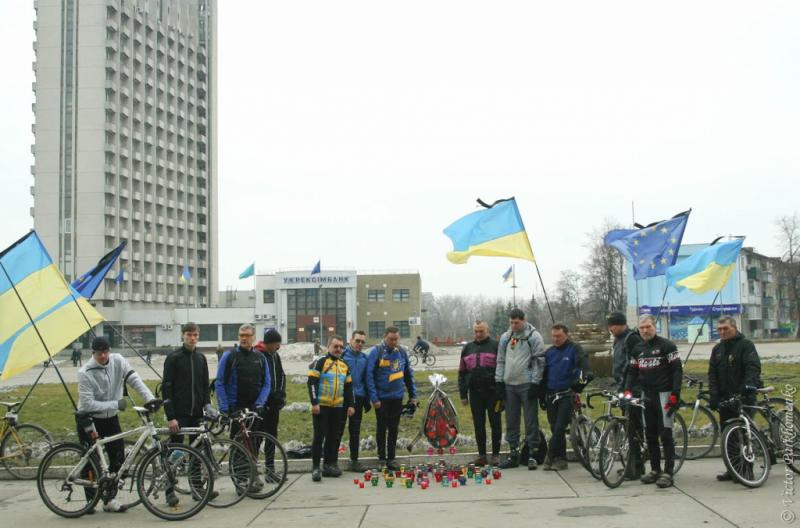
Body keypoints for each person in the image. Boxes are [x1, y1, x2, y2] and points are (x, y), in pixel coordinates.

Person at [77, 336, 155, 513]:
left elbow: (135, 380)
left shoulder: (118, 361)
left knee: (118, 458)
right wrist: (116, 404)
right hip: (89, 419)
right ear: (93, 353)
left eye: (106, 352)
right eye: (99, 353)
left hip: (110, 418)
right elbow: (88, 404)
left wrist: (150, 399)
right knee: (91, 462)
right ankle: (90, 501)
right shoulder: (85, 372)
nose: (103, 356)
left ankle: (108, 499)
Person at [161, 322, 216, 507]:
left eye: (195, 335)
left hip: (197, 414)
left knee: (196, 453)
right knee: (175, 453)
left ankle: (197, 488)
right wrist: (171, 416)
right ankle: (169, 490)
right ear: (182, 336)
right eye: (189, 334)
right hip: (179, 414)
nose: (192, 338)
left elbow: (204, 385)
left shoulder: (201, 358)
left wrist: (207, 405)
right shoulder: (174, 358)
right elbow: (166, 389)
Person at [624, 315, 682, 488]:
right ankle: (655, 469)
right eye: (641, 328)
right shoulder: (637, 348)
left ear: (654, 327)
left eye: (648, 327)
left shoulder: (667, 345)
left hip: (664, 395)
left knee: (665, 434)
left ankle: (668, 472)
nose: (645, 330)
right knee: (650, 434)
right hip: (646, 396)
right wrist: (627, 389)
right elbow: (632, 371)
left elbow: (677, 371)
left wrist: (675, 394)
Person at [708, 316, 762, 482]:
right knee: (728, 435)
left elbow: (752, 367)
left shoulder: (746, 345)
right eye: (720, 329)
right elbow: (713, 375)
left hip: (743, 396)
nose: (722, 332)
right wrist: (714, 395)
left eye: (726, 329)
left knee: (743, 434)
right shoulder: (717, 349)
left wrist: (748, 386)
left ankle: (747, 470)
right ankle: (733, 469)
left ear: (734, 328)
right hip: (725, 399)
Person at [495, 308, 545, 470]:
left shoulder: (534, 336)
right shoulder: (506, 337)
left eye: (517, 322)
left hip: (527, 385)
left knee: (531, 421)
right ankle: (513, 453)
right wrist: (499, 382)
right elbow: (500, 360)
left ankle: (532, 454)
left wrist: (536, 383)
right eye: (511, 322)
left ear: (524, 320)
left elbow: (539, 361)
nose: (514, 325)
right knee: (511, 421)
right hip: (509, 385)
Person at [542, 324, 593, 471]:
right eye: (553, 336)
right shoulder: (549, 352)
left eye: (559, 336)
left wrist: (579, 385)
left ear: (566, 335)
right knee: (554, 428)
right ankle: (561, 458)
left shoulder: (575, 349)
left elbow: (586, 370)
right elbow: (544, 375)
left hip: (567, 394)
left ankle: (550, 456)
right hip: (551, 394)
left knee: (559, 427)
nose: (555, 339)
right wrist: (541, 395)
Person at [366, 326, 418, 471]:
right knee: (382, 428)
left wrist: (413, 395)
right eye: (391, 339)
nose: (394, 342)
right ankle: (382, 459)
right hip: (381, 399)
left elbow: (408, 374)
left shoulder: (401, 352)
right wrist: (374, 398)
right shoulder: (376, 352)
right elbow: (369, 376)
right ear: (384, 337)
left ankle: (392, 458)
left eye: (396, 339)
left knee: (394, 428)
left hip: (397, 397)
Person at [308, 335, 355, 482]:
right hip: (321, 407)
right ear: (328, 346)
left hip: (338, 408)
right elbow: (311, 383)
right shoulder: (320, 362)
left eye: (341, 347)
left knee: (334, 437)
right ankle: (316, 467)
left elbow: (348, 388)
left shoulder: (344, 365)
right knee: (319, 437)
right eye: (336, 346)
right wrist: (314, 402)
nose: (338, 349)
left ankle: (330, 464)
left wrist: (351, 405)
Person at [458, 320, 502, 466]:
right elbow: (462, 373)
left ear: (487, 330)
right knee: (478, 424)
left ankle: (496, 455)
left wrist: (502, 392)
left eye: (481, 331)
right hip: (475, 394)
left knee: (495, 423)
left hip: (493, 393)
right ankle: (482, 455)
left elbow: (503, 370)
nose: (478, 334)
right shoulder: (467, 348)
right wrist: (463, 394)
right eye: (476, 331)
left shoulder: (496, 346)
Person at [215, 324, 271, 434]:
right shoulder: (229, 356)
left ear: (254, 337)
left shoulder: (260, 357)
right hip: (235, 408)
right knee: (237, 445)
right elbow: (219, 383)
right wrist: (225, 408)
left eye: (247, 335)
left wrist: (260, 403)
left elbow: (267, 383)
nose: (244, 338)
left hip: (255, 408)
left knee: (254, 444)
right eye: (241, 335)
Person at [254, 328, 286, 477]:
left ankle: (270, 469)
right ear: (269, 343)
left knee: (272, 436)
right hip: (261, 405)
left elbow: (281, 375)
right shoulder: (258, 355)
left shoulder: (275, 356)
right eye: (276, 344)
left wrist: (280, 394)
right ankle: (253, 469)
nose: (278, 347)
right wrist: (263, 399)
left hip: (274, 404)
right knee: (258, 437)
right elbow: (258, 380)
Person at [339, 330, 370, 472]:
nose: (360, 344)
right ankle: (331, 461)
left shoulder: (365, 358)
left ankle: (354, 460)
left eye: (362, 342)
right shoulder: (342, 356)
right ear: (350, 340)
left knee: (355, 431)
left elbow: (367, 380)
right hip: (341, 399)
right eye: (357, 341)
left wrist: (366, 399)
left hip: (358, 398)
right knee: (337, 430)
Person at [607, 312, 639, 388]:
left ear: (621, 324)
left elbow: (636, 365)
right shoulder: (617, 339)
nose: (609, 329)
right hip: (620, 384)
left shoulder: (632, 339)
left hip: (632, 386)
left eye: (611, 325)